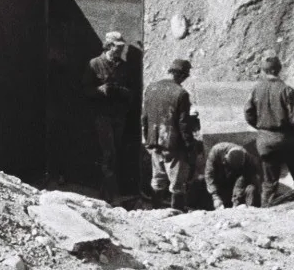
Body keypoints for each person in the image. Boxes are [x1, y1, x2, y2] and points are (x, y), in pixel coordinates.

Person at [88, 30, 143, 198]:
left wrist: (122, 92)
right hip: (102, 115)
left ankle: (106, 192)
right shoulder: (95, 64)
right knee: (108, 153)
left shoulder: (123, 67)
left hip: (118, 116)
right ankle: (111, 193)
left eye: (122, 47)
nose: (121, 50)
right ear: (109, 46)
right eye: (118, 47)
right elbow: (85, 90)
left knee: (114, 153)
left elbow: (132, 92)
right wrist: (100, 90)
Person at [246, 53, 294, 196]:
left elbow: (248, 114)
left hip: (265, 142)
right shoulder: (286, 90)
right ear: (279, 69)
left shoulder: (256, 89)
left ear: (263, 70)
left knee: (269, 183)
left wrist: (261, 128)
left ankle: (266, 211)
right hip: (286, 139)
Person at [141, 58, 201, 210]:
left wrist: (147, 138)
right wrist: (189, 145)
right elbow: (183, 124)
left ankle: (155, 212)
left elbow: (144, 116)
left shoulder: (151, 88)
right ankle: (177, 214)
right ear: (181, 75)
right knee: (177, 184)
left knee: (157, 179)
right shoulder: (181, 94)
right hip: (173, 144)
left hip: (154, 141)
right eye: (185, 76)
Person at [206, 141, 264, 209]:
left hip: (236, 183)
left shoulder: (248, 159)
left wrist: (236, 201)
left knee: (251, 189)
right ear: (225, 158)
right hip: (220, 181)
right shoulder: (216, 151)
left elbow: (242, 180)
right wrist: (215, 197)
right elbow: (209, 175)